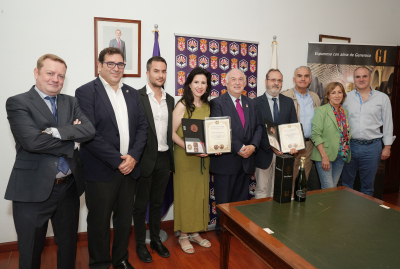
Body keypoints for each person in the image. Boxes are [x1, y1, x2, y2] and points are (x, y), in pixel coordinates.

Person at [5, 54, 95, 269]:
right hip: (32, 190)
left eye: (61, 75)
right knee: (31, 250)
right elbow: (32, 141)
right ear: (37, 73)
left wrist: (53, 132)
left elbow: (89, 130)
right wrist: (73, 140)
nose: (56, 79)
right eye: (50, 73)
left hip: (69, 188)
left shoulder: (71, 102)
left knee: (68, 245)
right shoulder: (18, 102)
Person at [75, 47, 147, 269]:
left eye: (120, 64)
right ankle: (100, 264)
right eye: (111, 64)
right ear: (100, 65)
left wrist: (133, 157)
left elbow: (143, 128)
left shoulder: (132, 93)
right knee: (99, 222)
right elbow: (90, 134)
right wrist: (119, 161)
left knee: (125, 219)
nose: (116, 68)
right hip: (101, 171)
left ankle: (121, 259)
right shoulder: (86, 92)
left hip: (130, 169)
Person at [210, 68, 262, 237]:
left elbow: (259, 127)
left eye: (241, 79)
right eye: (233, 79)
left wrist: (253, 146)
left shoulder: (251, 103)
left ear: (245, 83)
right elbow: (220, 129)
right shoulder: (217, 103)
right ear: (226, 82)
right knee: (224, 202)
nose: (237, 82)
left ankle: (237, 232)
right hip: (226, 162)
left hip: (246, 162)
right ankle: (223, 233)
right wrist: (240, 148)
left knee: (240, 202)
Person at [133, 56, 174, 263]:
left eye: (164, 71)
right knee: (140, 206)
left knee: (157, 203)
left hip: (164, 159)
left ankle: (156, 239)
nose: (161, 75)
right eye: (156, 71)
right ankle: (140, 244)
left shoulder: (171, 99)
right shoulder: (136, 96)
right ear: (148, 73)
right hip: (143, 161)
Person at [172, 67, 212, 254]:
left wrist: (213, 147)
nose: (200, 86)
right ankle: (183, 235)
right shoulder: (182, 105)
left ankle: (195, 232)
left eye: (203, 82)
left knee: (200, 195)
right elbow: (171, 134)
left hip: (203, 160)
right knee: (186, 195)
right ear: (189, 84)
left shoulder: (208, 107)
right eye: (196, 82)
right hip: (185, 158)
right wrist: (190, 149)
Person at [341, 66, 395, 196]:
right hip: (350, 146)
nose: (361, 79)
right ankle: (346, 212)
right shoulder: (345, 98)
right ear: (354, 79)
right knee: (346, 183)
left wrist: (387, 146)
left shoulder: (382, 98)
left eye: (364, 76)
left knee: (368, 185)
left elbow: (388, 122)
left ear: (370, 78)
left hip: (373, 147)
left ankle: (365, 215)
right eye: (358, 77)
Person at [254, 69, 297, 198]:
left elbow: (293, 126)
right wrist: (270, 145)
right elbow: (255, 129)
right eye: (273, 80)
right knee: (262, 189)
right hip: (263, 152)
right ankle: (260, 218)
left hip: (283, 154)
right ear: (266, 82)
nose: (276, 83)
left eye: (279, 80)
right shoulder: (255, 103)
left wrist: (292, 145)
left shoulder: (288, 102)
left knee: (278, 189)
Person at [281, 66, 320, 187]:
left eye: (306, 76)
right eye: (299, 76)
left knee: (302, 180)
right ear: (294, 79)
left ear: (310, 80)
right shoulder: (284, 96)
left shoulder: (315, 97)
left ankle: (297, 204)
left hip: (308, 146)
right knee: (286, 180)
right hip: (290, 146)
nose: (303, 79)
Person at [311, 82, 351, 189]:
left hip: (341, 155)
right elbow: (315, 135)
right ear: (328, 95)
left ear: (343, 95)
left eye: (340, 92)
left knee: (333, 188)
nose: (337, 95)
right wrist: (324, 156)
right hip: (325, 155)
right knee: (328, 188)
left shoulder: (344, 112)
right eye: (333, 93)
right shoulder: (321, 110)